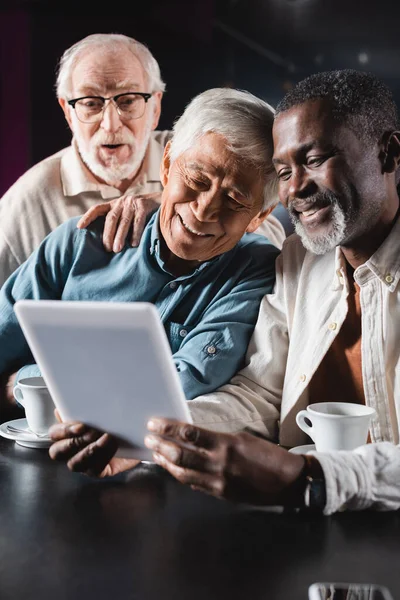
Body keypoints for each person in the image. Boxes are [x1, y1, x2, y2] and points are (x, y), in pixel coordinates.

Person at [50, 69, 400, 515]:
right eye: (283, 171)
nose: (296, 188)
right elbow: (259, 396)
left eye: (315, 160)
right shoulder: (296, 262)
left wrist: (308, 478)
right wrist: (144, 435)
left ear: (388, 154)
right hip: (302, 534)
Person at [0, 87, 279, 416]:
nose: (205, 211)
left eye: (235, 200)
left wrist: (29, 380)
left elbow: (179, 385)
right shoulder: (77, 243)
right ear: (166, 165)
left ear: (259, 215)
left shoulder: (255, 270)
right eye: (197, 179)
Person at [0, 32, 169, 287]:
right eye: (91, 103)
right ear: (68, 113)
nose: (111, 125)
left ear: (155, 108)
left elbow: (250, 197)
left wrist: (165, 201)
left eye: (127, 101)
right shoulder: (26, 202)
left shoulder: (191, 153)